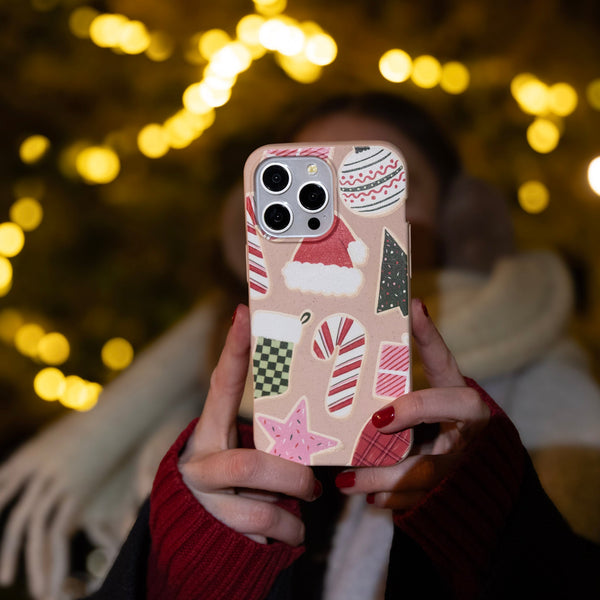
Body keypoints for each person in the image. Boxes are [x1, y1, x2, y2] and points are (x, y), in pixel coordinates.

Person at [2, 92, 599, 599]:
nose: (339, 210)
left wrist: (491, 523)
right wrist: (190, 569)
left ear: (453, 218)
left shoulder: (546, 392)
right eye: (315, 181)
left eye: (379, 182)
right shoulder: (199, 397)